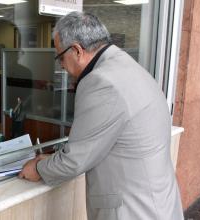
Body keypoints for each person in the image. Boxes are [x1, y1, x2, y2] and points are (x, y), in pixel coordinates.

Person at [18, 11, 183, 220]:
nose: (61, 65)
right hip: (158, 202)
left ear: (77, 50)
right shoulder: (126, 65)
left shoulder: (101, 81)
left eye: (60, 56)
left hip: (133, 212)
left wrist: (39, 168)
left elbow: (75, 161)